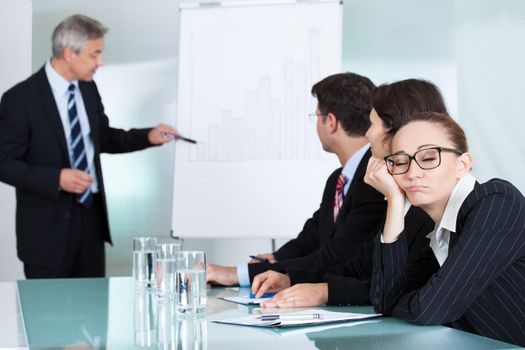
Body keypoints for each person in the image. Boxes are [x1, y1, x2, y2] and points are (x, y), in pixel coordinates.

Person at [0, 14, 179, 278]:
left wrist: (148, 136)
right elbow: (4, 163)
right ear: (70, 53)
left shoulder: (88, 89)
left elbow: (103, 137)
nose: (101, 62)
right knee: (50, 315)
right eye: (95, 54)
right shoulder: (20, 99)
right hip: (46, 233)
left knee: (94, 312)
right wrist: (56, 178)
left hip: (91, 223)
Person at [252, 79, 446, 307]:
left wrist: (323, 292)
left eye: (372, 124)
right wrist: (293, 279)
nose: (368, 134)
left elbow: (405, 291)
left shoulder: (429, 205)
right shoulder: (402, 199)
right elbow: (363, 265)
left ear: (397, 130)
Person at [206, 73, 387, 286]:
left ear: (331, 122)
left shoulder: (375, 178)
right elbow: (310, 239)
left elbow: (336, 255)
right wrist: (276, 259)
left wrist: (236, 274)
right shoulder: (338, 180)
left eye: (316, 116)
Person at [369, 111, 525, 346]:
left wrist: (407, 303)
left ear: (462, 165)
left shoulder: (498, 202)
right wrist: (394, 201)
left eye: (429, 158)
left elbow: (429, 310)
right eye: (400, 162)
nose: (412, 173)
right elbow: (385, 302)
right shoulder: (441, 234)